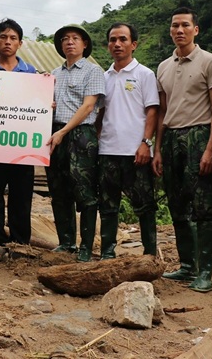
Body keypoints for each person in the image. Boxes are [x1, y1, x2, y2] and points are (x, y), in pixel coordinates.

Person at [153, 7, 212, 292]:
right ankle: (186, 266)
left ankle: (205, 272)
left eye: (185, 25)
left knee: (204, 207)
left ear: (196, 29)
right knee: (177, 204)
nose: (179, 31)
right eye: (174, 26)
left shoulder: (210, 62)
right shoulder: (163, 66)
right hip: (171, 138)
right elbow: (162, 111)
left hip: (199, 134)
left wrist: (211, 149)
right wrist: (157, 149)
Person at [96, 23, 159, 259]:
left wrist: (146, 142)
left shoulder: (145, 74)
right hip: (108, 150)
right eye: (112, 40)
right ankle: (107, 253)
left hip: (136, 152)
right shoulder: (104, 77)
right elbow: (100, 114)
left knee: (144, 205)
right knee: (108, 206)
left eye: (123, 39)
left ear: (133, 44)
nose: (117, 44)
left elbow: (152, 111)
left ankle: (150, 255)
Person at [0, 18, 38, 262]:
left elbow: (37, 105)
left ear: (20, 43)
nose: (8, 42)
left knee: (22, 196)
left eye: (13, 38)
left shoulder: (32, 73)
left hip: (22, 145)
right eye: (3, 37)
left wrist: (46, 103)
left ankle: (21, 243)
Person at [47, 24, 105, 262]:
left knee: (85, 191)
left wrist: (63, 131)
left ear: (84, 45)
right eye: (65, 39)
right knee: (58, 189)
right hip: (55, 133)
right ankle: (66, 242)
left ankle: (86, 246)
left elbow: (89, 106)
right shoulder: (53, 74)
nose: (69, 42)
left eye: (75, 38)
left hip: (81, 135)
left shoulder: (93, 71)